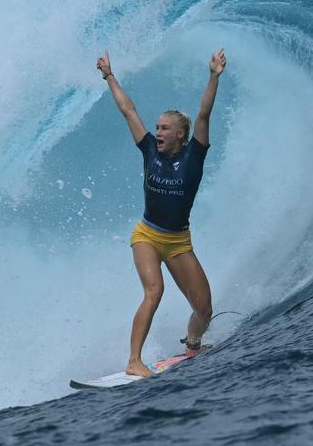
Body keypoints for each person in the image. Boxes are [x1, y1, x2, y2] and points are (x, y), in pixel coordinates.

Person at [95, 48, 226, 377]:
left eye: (165, 129)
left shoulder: (194, 156)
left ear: (181, 135)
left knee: (204, 309)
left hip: (179, 241)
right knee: (155, 291)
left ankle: (192, 346)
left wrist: (213, 76)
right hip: (147, 236)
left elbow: (204, 115)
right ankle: (133, 361)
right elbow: (128, 111)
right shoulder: (149, 149)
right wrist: (110, 76)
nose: (159, 133)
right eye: (157, 127)